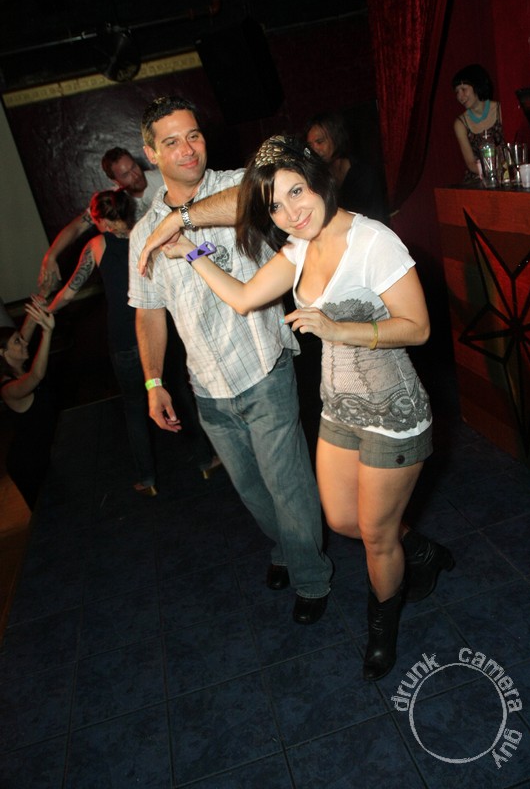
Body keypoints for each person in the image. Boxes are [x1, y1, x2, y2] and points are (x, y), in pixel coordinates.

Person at [153, 135, 455, 680]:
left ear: (318, 181)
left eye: (297, 192)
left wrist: (339, 329)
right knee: (342, 520)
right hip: (338, 409)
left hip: (393, 412)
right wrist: (191, 253)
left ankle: (382, 629)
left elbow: (419, 327)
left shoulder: (373, 241)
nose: (291, 212)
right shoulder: (297, 249)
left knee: (376, 536)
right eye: (275, 205)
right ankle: (421, 550)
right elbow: (245, 298)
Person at [129, 95, 333, 624]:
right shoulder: (140, 235)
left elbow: (253, 202)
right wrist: (153, 382)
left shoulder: (241, 185)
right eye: (171, 141)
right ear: (151, 153)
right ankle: (286, 547)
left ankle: (311, 576)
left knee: (287, 483)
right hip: (207, 386)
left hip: (262, 365)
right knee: (252, 490)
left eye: (193, 135)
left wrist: (180, 221)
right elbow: (149, 312)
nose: (187, 148)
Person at [47, 189, 218, 495]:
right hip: (158, 332)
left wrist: (47, 309)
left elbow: (70, 292)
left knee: (134, 406)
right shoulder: (148, 235)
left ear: (100, 220)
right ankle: (205, 460)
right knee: (179, 394)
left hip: (125, 340)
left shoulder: (97, 245)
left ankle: (148, 479)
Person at [39, 147, 164, 285]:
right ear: (115, 181)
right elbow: (77, 227)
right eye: (125, 174)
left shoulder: (164, 179)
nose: (135, 175)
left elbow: (184, 210)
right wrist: (50, 256)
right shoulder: (114, 202)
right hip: (147, 273)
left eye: (134, 166)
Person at [0, 296, 58, 510]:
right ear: (3, 353)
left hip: (45, 454)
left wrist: (41, 299)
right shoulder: (8, 389)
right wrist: (47, 333)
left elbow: (26, 330)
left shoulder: (17, 365)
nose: (24, 342)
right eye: (17, 342)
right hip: (28, 465)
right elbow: (36, 376)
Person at [304, 111, 388, 223]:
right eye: (310, 145)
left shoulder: (364, 174)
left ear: (336, 138)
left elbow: (378, 218)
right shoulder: (315, 179)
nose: (314, 149)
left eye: (319, 142)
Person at [452, 64, 504, 183]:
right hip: (479, 177)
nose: (460, 96)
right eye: (457, 92)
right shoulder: (460, 124)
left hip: (506, 174)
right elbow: (471, 163)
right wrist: (492, 174)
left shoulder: (500, 110)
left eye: (463, 89)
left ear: (477, 85)